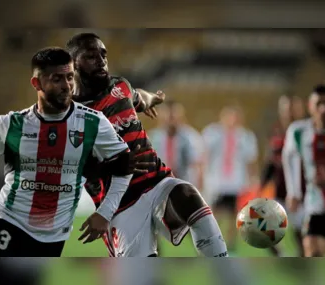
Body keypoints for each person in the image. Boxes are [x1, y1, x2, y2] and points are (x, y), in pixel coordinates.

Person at [0, 47, 148, 257]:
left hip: (53, 235)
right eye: (57, 79)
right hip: (8, 220)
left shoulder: (93, 123)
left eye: (70, 77)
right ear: (37, 83)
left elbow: (125, 166)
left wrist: (105, 213)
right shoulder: (14, 124)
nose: (66, 86)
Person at [66, 32, 228, 257]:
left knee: (188, 195)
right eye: (91, 56)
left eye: (104, 55)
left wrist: (152, 98)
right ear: (73, 64)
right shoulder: (70, 115)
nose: (101, 61)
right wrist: (118, 166)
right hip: (119, 204)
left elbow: (137, 97)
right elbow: (73, 167)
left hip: (157, 181)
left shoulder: (119, 86)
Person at [200, 105, 258, 254]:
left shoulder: (245, 136)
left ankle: (230, 246)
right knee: (214, 214)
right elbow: (204, 156)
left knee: (234, 214)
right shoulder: (212, 133)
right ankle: (210, 240)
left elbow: (251, 160)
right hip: (216, 181)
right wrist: (201, 176)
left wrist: (253, 180)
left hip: (236, 182)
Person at [283, 83, 325, 257]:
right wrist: (293, 191)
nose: (323, 109)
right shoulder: (298, 131)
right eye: (319, 104)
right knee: (312, 251)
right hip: (316, 204)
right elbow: (289, 156)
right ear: (310, 106)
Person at [260, 95, 306, 257]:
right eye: (286, 108)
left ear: (301, 109)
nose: (289, 112)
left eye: (293, 108)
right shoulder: (276, 132)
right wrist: (261, 185)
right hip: (280, 192)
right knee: (262, 230)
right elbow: (271, 162)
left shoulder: (307, 131)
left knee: (303, 239)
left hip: (304, 195)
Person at [148, 100, 202, 186]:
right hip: (160, 184)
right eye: (167, 116)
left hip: (183, 183)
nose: (170, 119)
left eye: (173, 116)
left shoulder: (189, 136)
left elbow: (197, 162)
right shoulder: (154, 137)